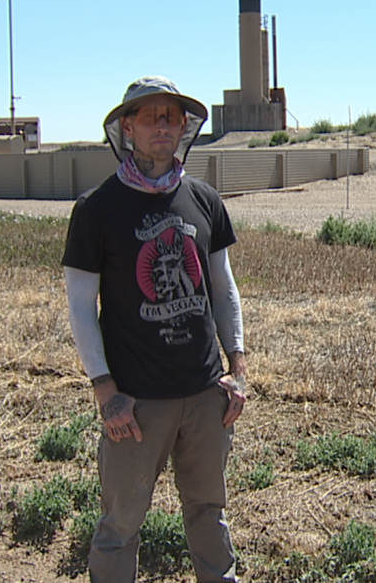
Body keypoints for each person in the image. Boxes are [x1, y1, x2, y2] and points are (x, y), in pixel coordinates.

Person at [62, 76, 247, 583]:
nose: (163, 126)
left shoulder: (204, 200)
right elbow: (80, 305)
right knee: (120, 525)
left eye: (172, 116)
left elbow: (223, 286)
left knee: (209, 512)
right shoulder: (96, 209)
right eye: (150, 116)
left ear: (185, 126)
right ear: (127, 127)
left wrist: (237, 367)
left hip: (206, 396)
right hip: (136, 406)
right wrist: (105, 389)